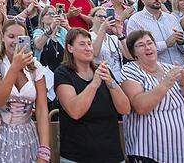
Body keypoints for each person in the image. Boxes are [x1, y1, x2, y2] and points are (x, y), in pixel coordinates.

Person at [121, 30, 184, 163]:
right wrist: (165, 84)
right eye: (141, 45)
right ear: (133, 53)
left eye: (150, 43)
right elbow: (141, 107)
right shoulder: (130, 70)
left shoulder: (172, 68)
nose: (147, 47)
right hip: (150, 153)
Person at [0, 21, 50, 163]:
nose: (16, 41)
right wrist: (14, 67)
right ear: (2, 37)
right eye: (11, 36)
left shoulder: (35, 67)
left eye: (21, 37)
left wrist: (44, 149)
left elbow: (41, 109)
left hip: (27, 135)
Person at [54, 28, 131, 163]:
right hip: (76, 156)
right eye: (82, 44)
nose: (88, 48)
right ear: (70, 48)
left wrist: (111, 83)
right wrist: (94, 84)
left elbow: (125, 109)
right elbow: (75, 112)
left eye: (90, 43)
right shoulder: (63, 73)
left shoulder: (104, 71)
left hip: (111, 155)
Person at [127, 0, 184, 65]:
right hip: (157, 74)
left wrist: (182, 42)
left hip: (181, 72)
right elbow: (137, 51)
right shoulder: (135, 20)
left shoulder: (171, 18)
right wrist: (165, 44)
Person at [90, 6, 131, 83]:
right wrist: (102, 29)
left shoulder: (113, 38)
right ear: (92, 18)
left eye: (105, 17)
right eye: (100, 16)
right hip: (102, 80)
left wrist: (120, 34)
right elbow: (94, 53)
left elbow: (129, 55)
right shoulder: (88, 36)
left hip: (120, 78)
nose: (103, 19)